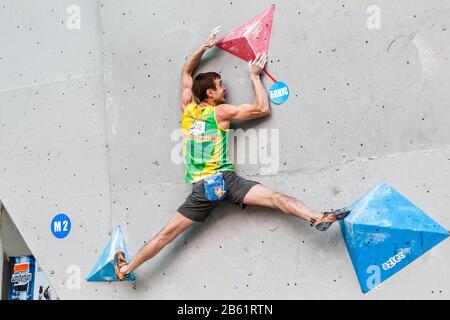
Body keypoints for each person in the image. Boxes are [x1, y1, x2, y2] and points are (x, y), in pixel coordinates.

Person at [114, 26, 349, 280]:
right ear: (209, 94)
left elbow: (185, 72)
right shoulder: (220, 112)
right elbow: (261, 108)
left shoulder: (187, 108)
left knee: (166, 235)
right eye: (220, 85)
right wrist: (254, 76)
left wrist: (204, 48)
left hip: (204, 189)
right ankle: (315, 216)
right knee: (274, 198)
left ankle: (125, 269)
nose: (225, 89)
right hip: (227, 181)